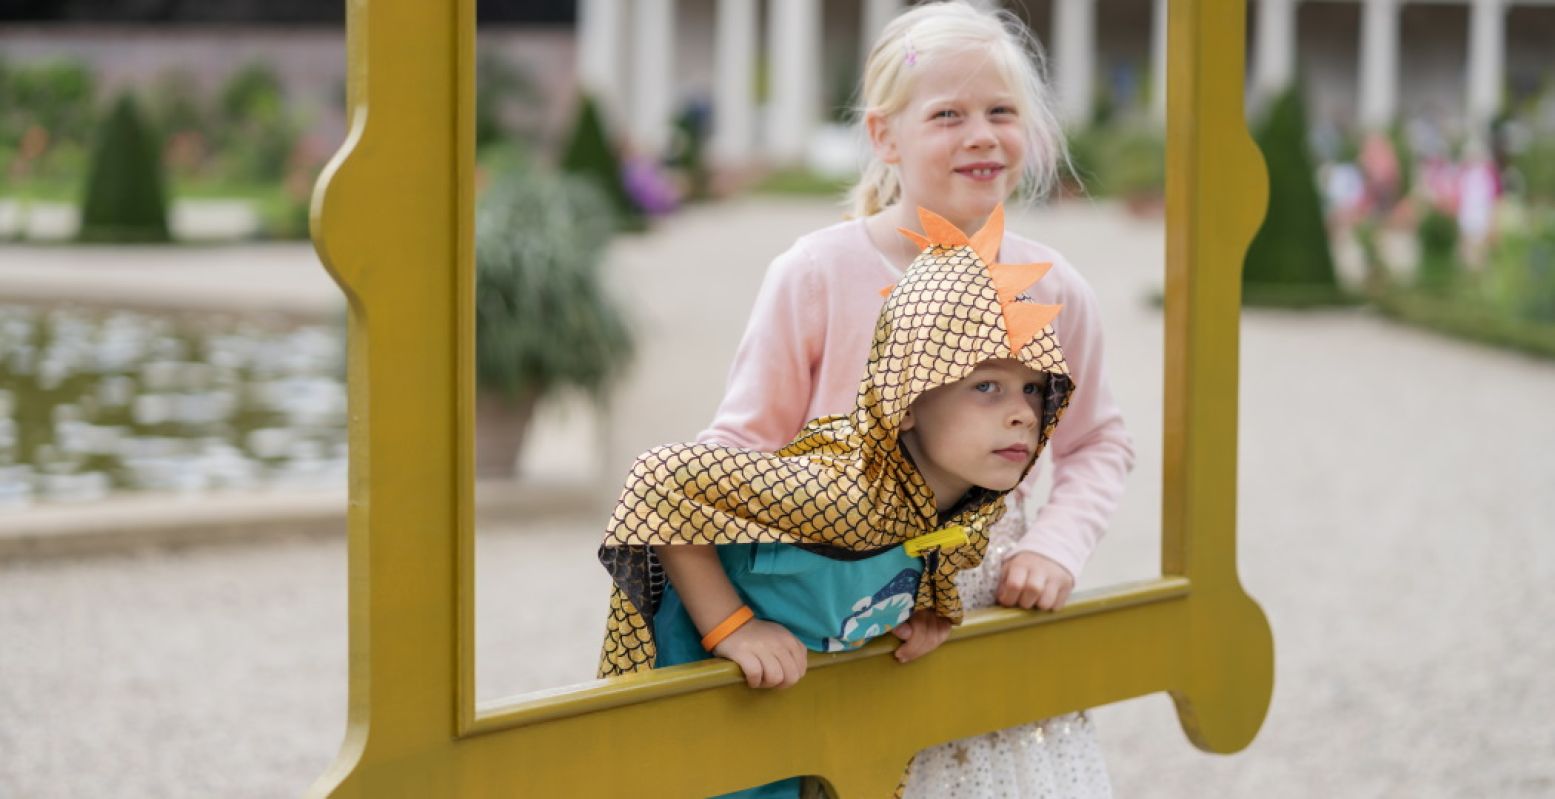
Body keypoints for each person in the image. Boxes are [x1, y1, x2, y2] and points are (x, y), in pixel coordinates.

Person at [694, 2, 1134, 795]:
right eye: (947, 114)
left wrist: (1054, 547)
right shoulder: (815, 274)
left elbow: (1098, 440)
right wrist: (741, 614)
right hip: (851, 630)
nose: (980, 134)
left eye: (1001, 111)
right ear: (884, 137)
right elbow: (734, 455)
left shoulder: (1056, 287)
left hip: (994, 611)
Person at [599, 206, 1074, 799]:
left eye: (1032, 389)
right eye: (986, 386)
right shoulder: (841, 491)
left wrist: (928, 606)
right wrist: (732, 627)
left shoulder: (966, 510)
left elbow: (939, 552)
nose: (1022, 412)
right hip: (692, 711)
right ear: (906, 401)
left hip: (793, 722)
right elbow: (658, 479)